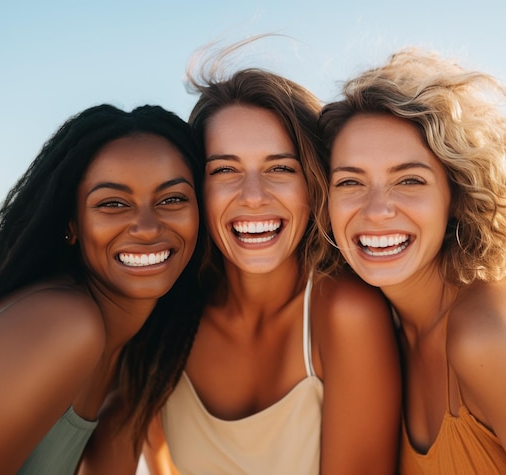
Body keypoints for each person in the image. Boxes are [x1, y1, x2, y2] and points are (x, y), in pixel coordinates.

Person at [95, 47, 399, 475]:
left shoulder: (344, 313)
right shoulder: (167, 312)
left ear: (312, 183)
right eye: (224, 170)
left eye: (279, 169)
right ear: (196, 188)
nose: (253, 196)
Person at [318, 47, 506, 474]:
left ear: (456, 196)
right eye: (350, 181)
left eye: (409, 179)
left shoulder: (490, 329)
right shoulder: (383, 336)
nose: (376, 210)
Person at [0, 104, 204, 475]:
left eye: (172, 199)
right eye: (113, 203)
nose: (146, 227)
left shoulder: (131, 359)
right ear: (72, 224)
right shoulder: (65, 325)